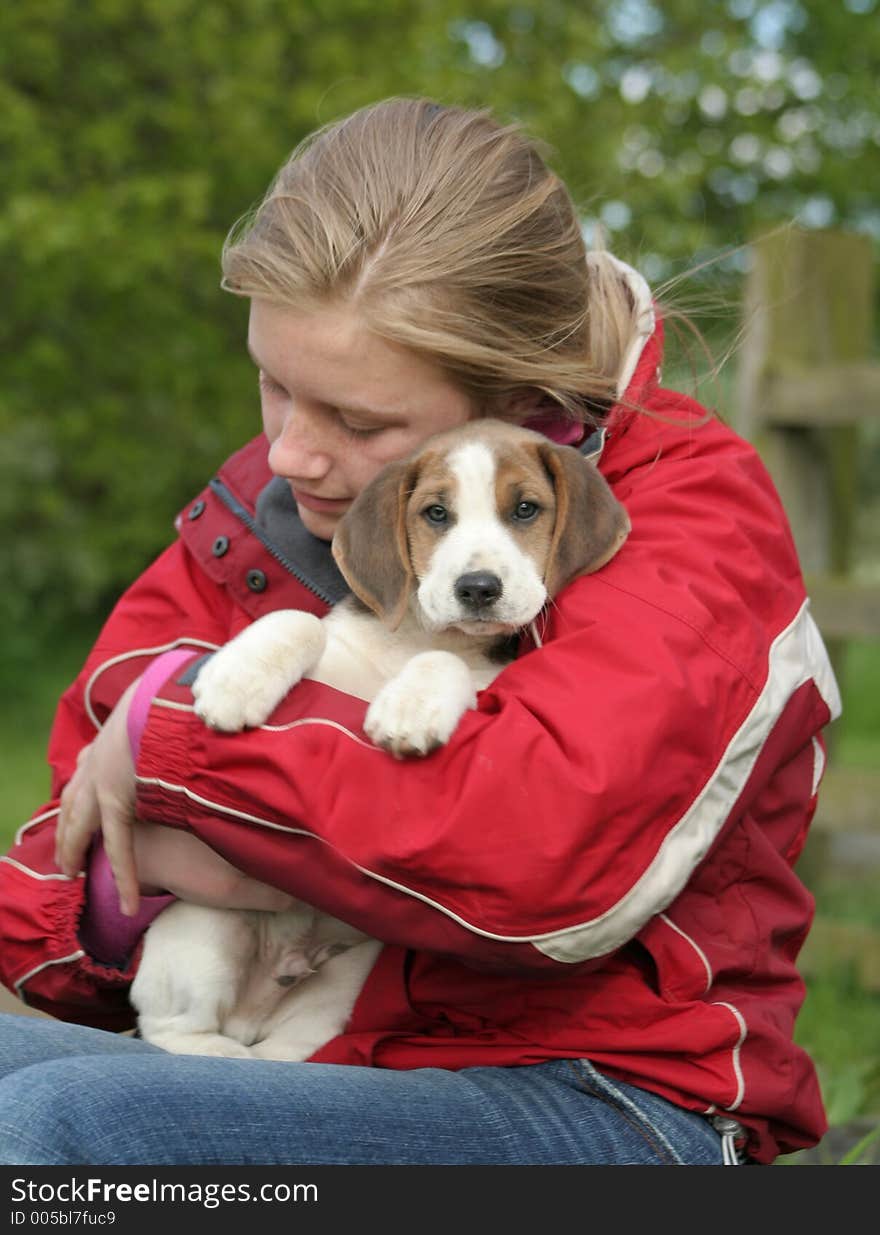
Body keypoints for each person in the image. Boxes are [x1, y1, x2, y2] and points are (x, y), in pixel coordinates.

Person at [0, 97, 840, 1167]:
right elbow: (43, 877)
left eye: (358, 421)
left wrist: (182, 761)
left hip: (600, 1093)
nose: (292, 453)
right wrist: (142, 886)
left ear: (517, 396)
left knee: (59, 1133)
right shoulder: (280, 501)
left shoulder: (690, 516)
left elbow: (537, 857)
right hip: (300, 1045)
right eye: (273, 384)